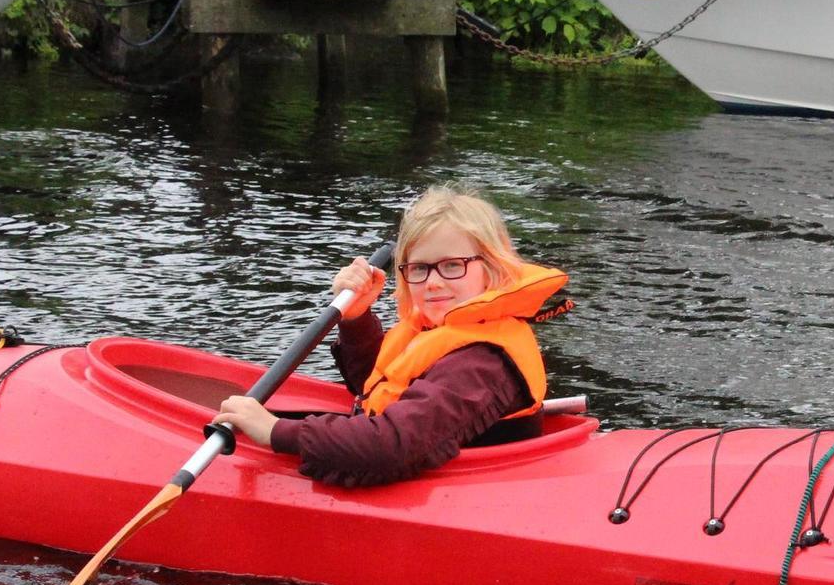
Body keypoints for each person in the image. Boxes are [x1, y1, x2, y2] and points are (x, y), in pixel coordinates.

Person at [212, 184, 571, 487]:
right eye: (419, 268)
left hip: (473, 492)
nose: (433, 282)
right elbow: (378, 387)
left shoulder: (481, 363)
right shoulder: (439, 328)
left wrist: (276, 431)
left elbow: (393, 446)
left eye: (451, 265)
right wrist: (356, 318)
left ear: (491, 270)